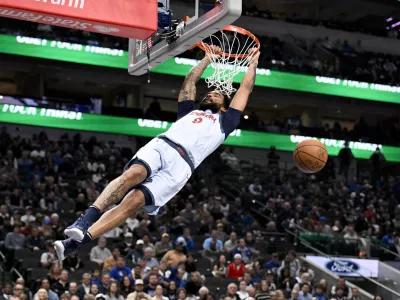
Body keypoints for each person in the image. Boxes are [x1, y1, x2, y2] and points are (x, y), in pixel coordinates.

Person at [54, 47, 261, 259]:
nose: (210, 93)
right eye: (210, 92)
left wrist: (253, 63)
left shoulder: (226, 122)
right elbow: (189, 83)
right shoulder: (189, 113)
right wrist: (207, 59)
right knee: (131, 175)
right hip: (164, 145)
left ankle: (74, 243)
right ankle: (84, 219)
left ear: (225, 107)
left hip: (182, 167)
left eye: (216, 94)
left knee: (132, 204)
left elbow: (245, 88)